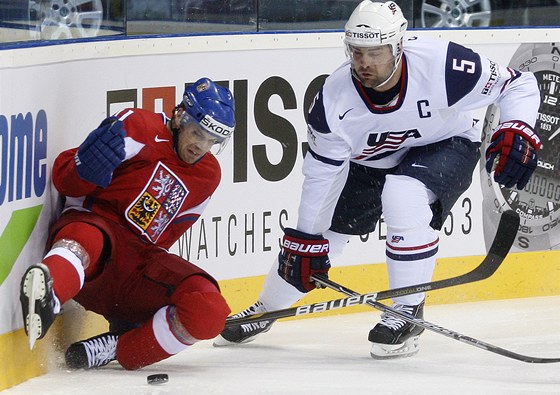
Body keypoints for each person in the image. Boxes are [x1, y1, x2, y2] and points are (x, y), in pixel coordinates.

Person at [214, 0, 541, 359]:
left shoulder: (443, 65)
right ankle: (266, 308)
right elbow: (322, 175)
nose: (365, 62)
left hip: (447, 144)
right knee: (319, 240)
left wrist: (517, 126)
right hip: (372, 163)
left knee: (404, 194)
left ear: (398, 46)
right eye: (357, 52)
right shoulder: (333, 100)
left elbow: (520, 84)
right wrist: (306, 238)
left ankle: (407, 310)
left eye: (375, 52)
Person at [20, 77, 236, 370]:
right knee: (87, 237)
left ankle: (119, 346)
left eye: (213, 141)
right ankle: (50, 296)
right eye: (198, 133)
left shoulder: (208, 175)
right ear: (179, 115)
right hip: (93, 238)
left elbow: (164, 238)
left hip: (136, 265)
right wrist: (84, 171)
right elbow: (64, 179)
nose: (202, 146)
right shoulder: (139, 127)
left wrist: (143, 301)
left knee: (209, 310)